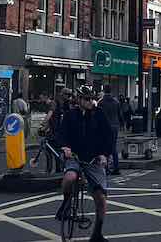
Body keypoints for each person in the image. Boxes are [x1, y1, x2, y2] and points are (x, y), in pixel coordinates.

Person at [56, 85, 114, 242]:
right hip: (75, 156)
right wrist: (65, 146)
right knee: (69, 178)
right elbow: (61, 134)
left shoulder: (98, 114)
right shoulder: (70, 115)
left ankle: (97, 234)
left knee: (101, 198)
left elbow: (108, 135)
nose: (90, 102)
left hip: (93, 159)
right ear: (79, 99)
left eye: (92, 99)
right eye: (87, 99)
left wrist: (104, 154)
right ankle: (66, 201)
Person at [97, 85, 124, 175]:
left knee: (104, 147)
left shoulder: (101, 102)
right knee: (113, 147)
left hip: (104, 127)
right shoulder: (116, 102)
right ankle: (116, 167)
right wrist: (122, 125)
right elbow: (120, 115)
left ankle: (106, 168)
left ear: (104, 91)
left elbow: (98, 115)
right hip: (115, 126)